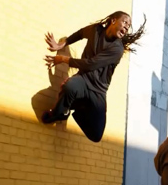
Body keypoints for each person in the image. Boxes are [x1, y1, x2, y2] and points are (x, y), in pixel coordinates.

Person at [42, 11, 145, 142]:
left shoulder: (117, 50)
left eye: (128, 26)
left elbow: (91, 64)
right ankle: (59, 113)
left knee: (96, 135)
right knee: (70, 86)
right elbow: (80, 33)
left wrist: (62, 58)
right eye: (125, 22)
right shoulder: (95, 30)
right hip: (84, 79)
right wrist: (62, 44)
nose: (126, 27)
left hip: (98, 90)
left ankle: (77, 106)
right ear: (113, 21)